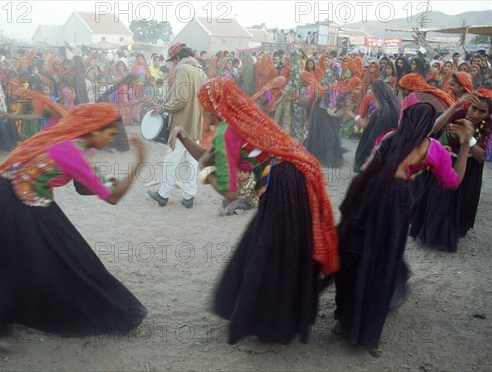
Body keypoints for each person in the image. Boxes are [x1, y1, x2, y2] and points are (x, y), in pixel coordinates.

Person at [168, 77, 339, 353]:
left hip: (282, 187)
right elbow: (214, 155)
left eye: (204, 106)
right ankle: (272, 321)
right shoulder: (245, 119)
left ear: (214, 105)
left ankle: (276, 334)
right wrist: (185, 137)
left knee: (273, 257)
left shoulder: (227, 131)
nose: (205, 112)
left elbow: (230, 191)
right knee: (274, 251)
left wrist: (203, 173)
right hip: (292, 181)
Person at [0, 103, 148, 342]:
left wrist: (103, 181)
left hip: (16, 194)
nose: (110, 141)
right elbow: (113, 196)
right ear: (94, 129)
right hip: (10, 199)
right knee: (43, 256)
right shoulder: (73, 149)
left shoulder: (74, 143)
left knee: (44, 253)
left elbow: (83, 186)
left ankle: (2, 313)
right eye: (110, 134)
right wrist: (139, 163)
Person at [334, 102, 473, 353]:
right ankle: (365, 331)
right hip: (396, 206)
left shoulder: (390, 138)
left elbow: (366, 169)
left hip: (369, 197)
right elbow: (452, 183)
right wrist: (465, 145)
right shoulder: (434, 150)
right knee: (383, 264)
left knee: (357, 258)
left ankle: (344, 319)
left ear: (403, 119)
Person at [409, 90, 492, 251]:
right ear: (467, 106)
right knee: (438, 197)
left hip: (468, 166)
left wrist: (468, 140)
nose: (475, 114)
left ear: (489, 114)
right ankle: (430, 233)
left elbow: (481, 156)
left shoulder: (488, 125)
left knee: (458, 199)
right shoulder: (459, 113)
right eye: (473, 108)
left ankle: (451, 231)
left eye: (482, 111)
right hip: (446, 159)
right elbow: (433, 128)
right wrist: (456, 104)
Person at [148, 44, 208, 208]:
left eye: (172, 61)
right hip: (196, 123)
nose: (172, 64)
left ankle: (163, 194)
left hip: (181, 124)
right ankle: (189, 196)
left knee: (171, 160)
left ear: (176, 58)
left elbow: (181, 98)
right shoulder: (200, 70)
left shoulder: (182, 69)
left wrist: (164, 107)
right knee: (191, 162)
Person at [353, 80, 401, 172]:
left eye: (373, 92)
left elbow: (372, 139)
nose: (372, 96)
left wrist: (362, 160)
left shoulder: (385, 112)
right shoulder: (391, 107)